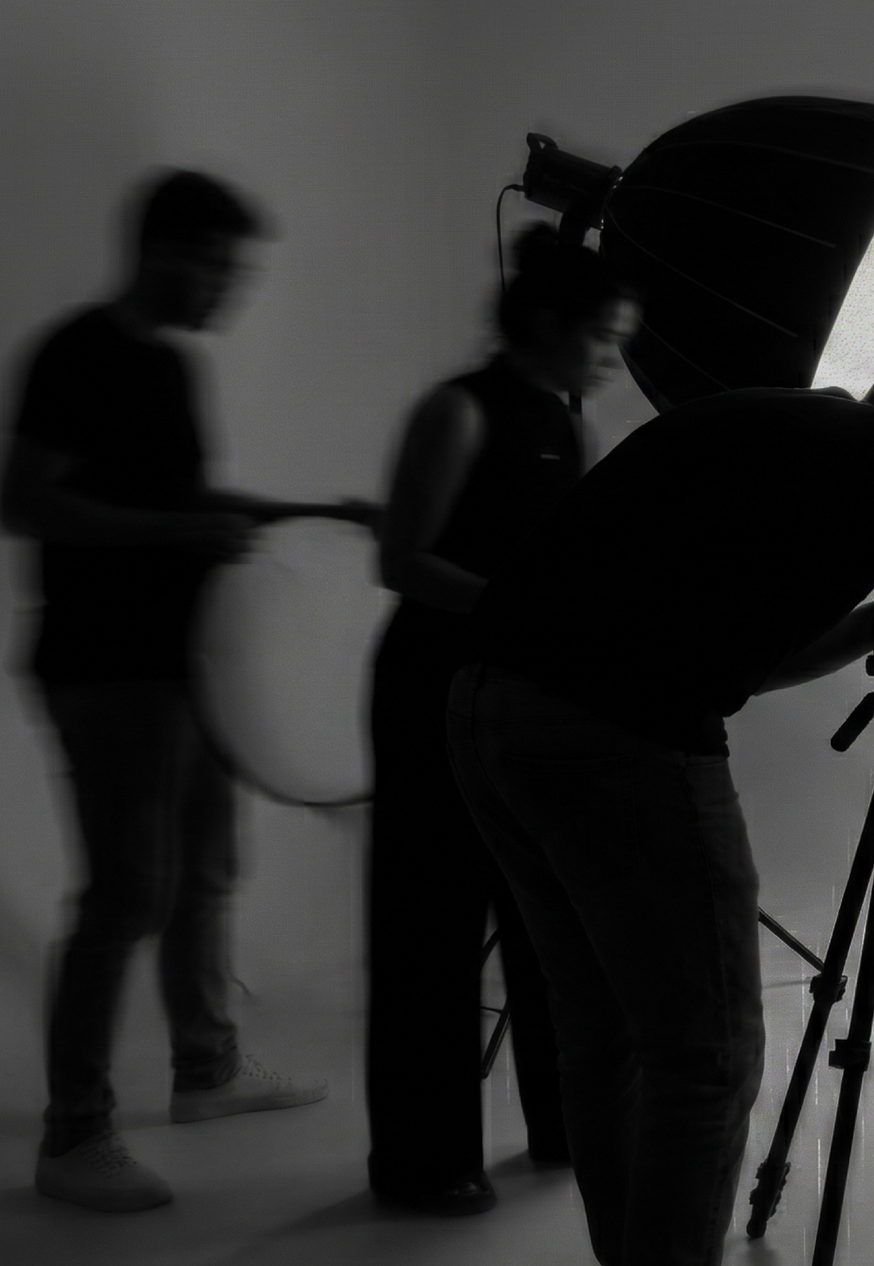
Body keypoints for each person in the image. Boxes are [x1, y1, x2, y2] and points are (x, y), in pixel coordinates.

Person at [448, 356, 874, 1266]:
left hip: (488, 706)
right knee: (710, 1058)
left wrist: (867, 629)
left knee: (604, 1027)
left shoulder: (762, 417)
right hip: (622, 735)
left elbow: (746, 667)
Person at [0, 170, 361, 1212]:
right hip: (102, 675)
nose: (230, 292)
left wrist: (310, 510)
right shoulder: (77, 353)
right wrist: (170, 534)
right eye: (219, 268)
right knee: (124, 898)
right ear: (164, 253)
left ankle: (205, 1068)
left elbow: (186, 500)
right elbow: (22, 502)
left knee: (204, 873)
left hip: (179, 668)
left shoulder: (171, 367)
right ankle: (74, 1135)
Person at [364, 225, 634, 1215]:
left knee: (545, 913)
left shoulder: (570, 421)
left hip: (526, 693)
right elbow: (401, 561)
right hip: (431, 689)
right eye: (604, 337)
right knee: (427, 925)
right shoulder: (457, 411)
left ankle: (564, 1122)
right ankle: (423, 1162)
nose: (612, 359)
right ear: (551, 323)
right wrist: (528, 616)